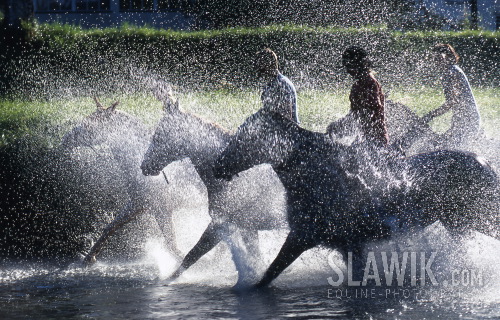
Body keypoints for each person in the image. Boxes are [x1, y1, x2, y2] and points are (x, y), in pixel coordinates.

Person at [421, 43, 481, 149]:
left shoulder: (451, 72)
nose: (436, 62)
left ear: (448, 56)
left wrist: (430, 115)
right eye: (434, 58)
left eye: (439, 58)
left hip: (467, 122)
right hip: (463, 121)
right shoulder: (452, 70)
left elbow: (451, 102)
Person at [328, 46, 388, 147]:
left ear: (362, 64)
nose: (347, 70)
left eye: (350, 66)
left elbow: (372, 110)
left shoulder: (370, 83)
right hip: (365, 138)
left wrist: (343, 124)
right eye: (346, 66)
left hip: (376, 140)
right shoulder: (358, 85)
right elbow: (356, 112)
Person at [255, 48, 299, 123]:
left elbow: (287, 118)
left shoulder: (282, 84)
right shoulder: (271, 83)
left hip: (289, 132)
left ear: (268, 65)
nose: (257, 68)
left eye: (260, 65)